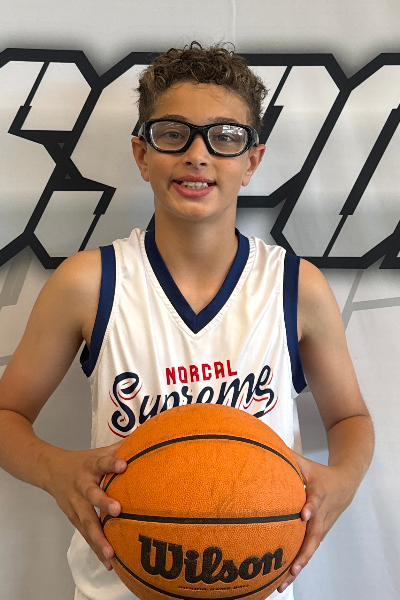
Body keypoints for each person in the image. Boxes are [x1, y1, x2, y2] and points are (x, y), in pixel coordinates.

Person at [0, 42, 374, 600]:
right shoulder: (90, 283)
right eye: (173, 133)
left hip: (255, 579)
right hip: (119, 586)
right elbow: (7, 416)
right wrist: (55, 469)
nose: (198, 155)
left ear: (252, 161)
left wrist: (341, 480)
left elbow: (350, 418)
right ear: (142, 154)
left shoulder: (296, 287)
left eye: (225, 137)